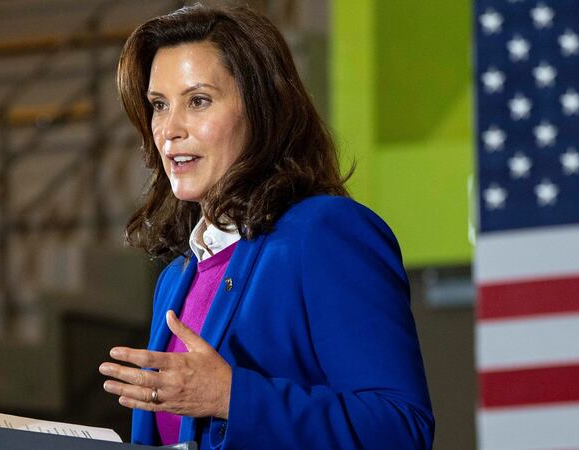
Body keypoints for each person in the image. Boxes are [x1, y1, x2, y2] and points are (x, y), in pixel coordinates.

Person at [99, 4, 434, 449]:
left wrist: (230, 396)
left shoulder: (326, 234)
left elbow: (401, 428)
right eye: (159, 105)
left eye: (198, 101)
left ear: (261, 110)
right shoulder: (175, 279)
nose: (169, 130)